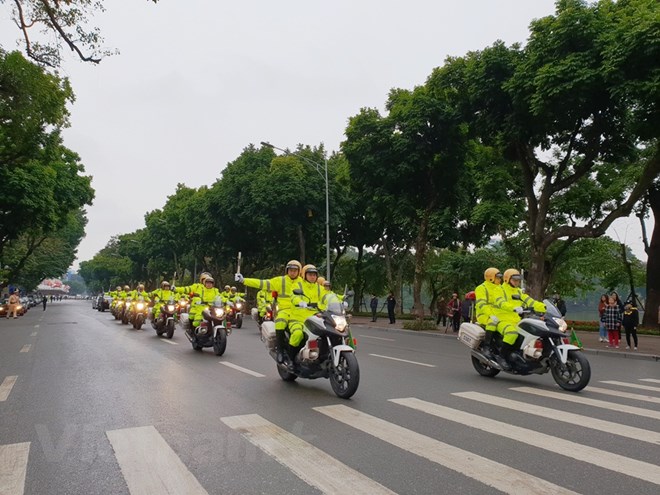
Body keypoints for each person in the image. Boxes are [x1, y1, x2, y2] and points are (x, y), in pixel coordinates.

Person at [236, 260, 303, 364]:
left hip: (300, 312)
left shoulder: (303, 283)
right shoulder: (280, 281)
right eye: (290, 270)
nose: (292, 272)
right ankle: (280, 351)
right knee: (280, 322)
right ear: (287, 271)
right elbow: (261, 283)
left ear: (299, 271)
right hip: (284, 310)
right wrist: (244, 280)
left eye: (295, 270)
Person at [474, 267, 521, 370]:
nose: (499, 279)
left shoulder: (499, 288)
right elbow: (481, 304)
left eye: (500, 277)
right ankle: (486, 346)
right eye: (497, 277)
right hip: (484, 314)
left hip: (497, 313)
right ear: (490, 278)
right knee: (492, 322)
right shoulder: (482, 288)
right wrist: (490, 314)